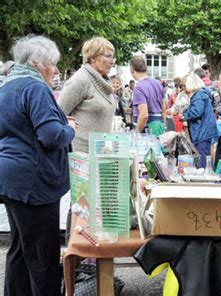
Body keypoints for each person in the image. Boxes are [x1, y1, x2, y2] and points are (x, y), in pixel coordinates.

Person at [0, 35, 77, 295]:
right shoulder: (35, 88)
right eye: (52, 64)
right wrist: (69, 128)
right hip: (33, 183)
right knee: (43, 255)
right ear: (36, 63)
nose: (55, 70)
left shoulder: (7, 86)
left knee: (21, 249)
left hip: (12, 179)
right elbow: (51, 135)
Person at [58, 36, 116, 153]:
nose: (112, 61)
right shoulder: (81, 80)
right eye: (108, 56)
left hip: (99, 153)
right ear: (93, 58)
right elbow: (57, 113)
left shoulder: (103, 82)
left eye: (113, 56)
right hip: (80, 156)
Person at [182, 73, 218, 168]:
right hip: (205, 131)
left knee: (203, 161)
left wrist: (185, 113)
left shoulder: (198, 95)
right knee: (206, 158)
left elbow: (196, 112)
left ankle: (205, 181)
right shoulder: (202, 94)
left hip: (202, 132)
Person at [129, 55, 165, 133]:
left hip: (146, 129)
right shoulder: (158, 83)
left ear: (132, 70)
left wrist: (136, 132)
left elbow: (144, 115)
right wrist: (164, 126)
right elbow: (163, 109)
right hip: (159, 125)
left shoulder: (139, 88)